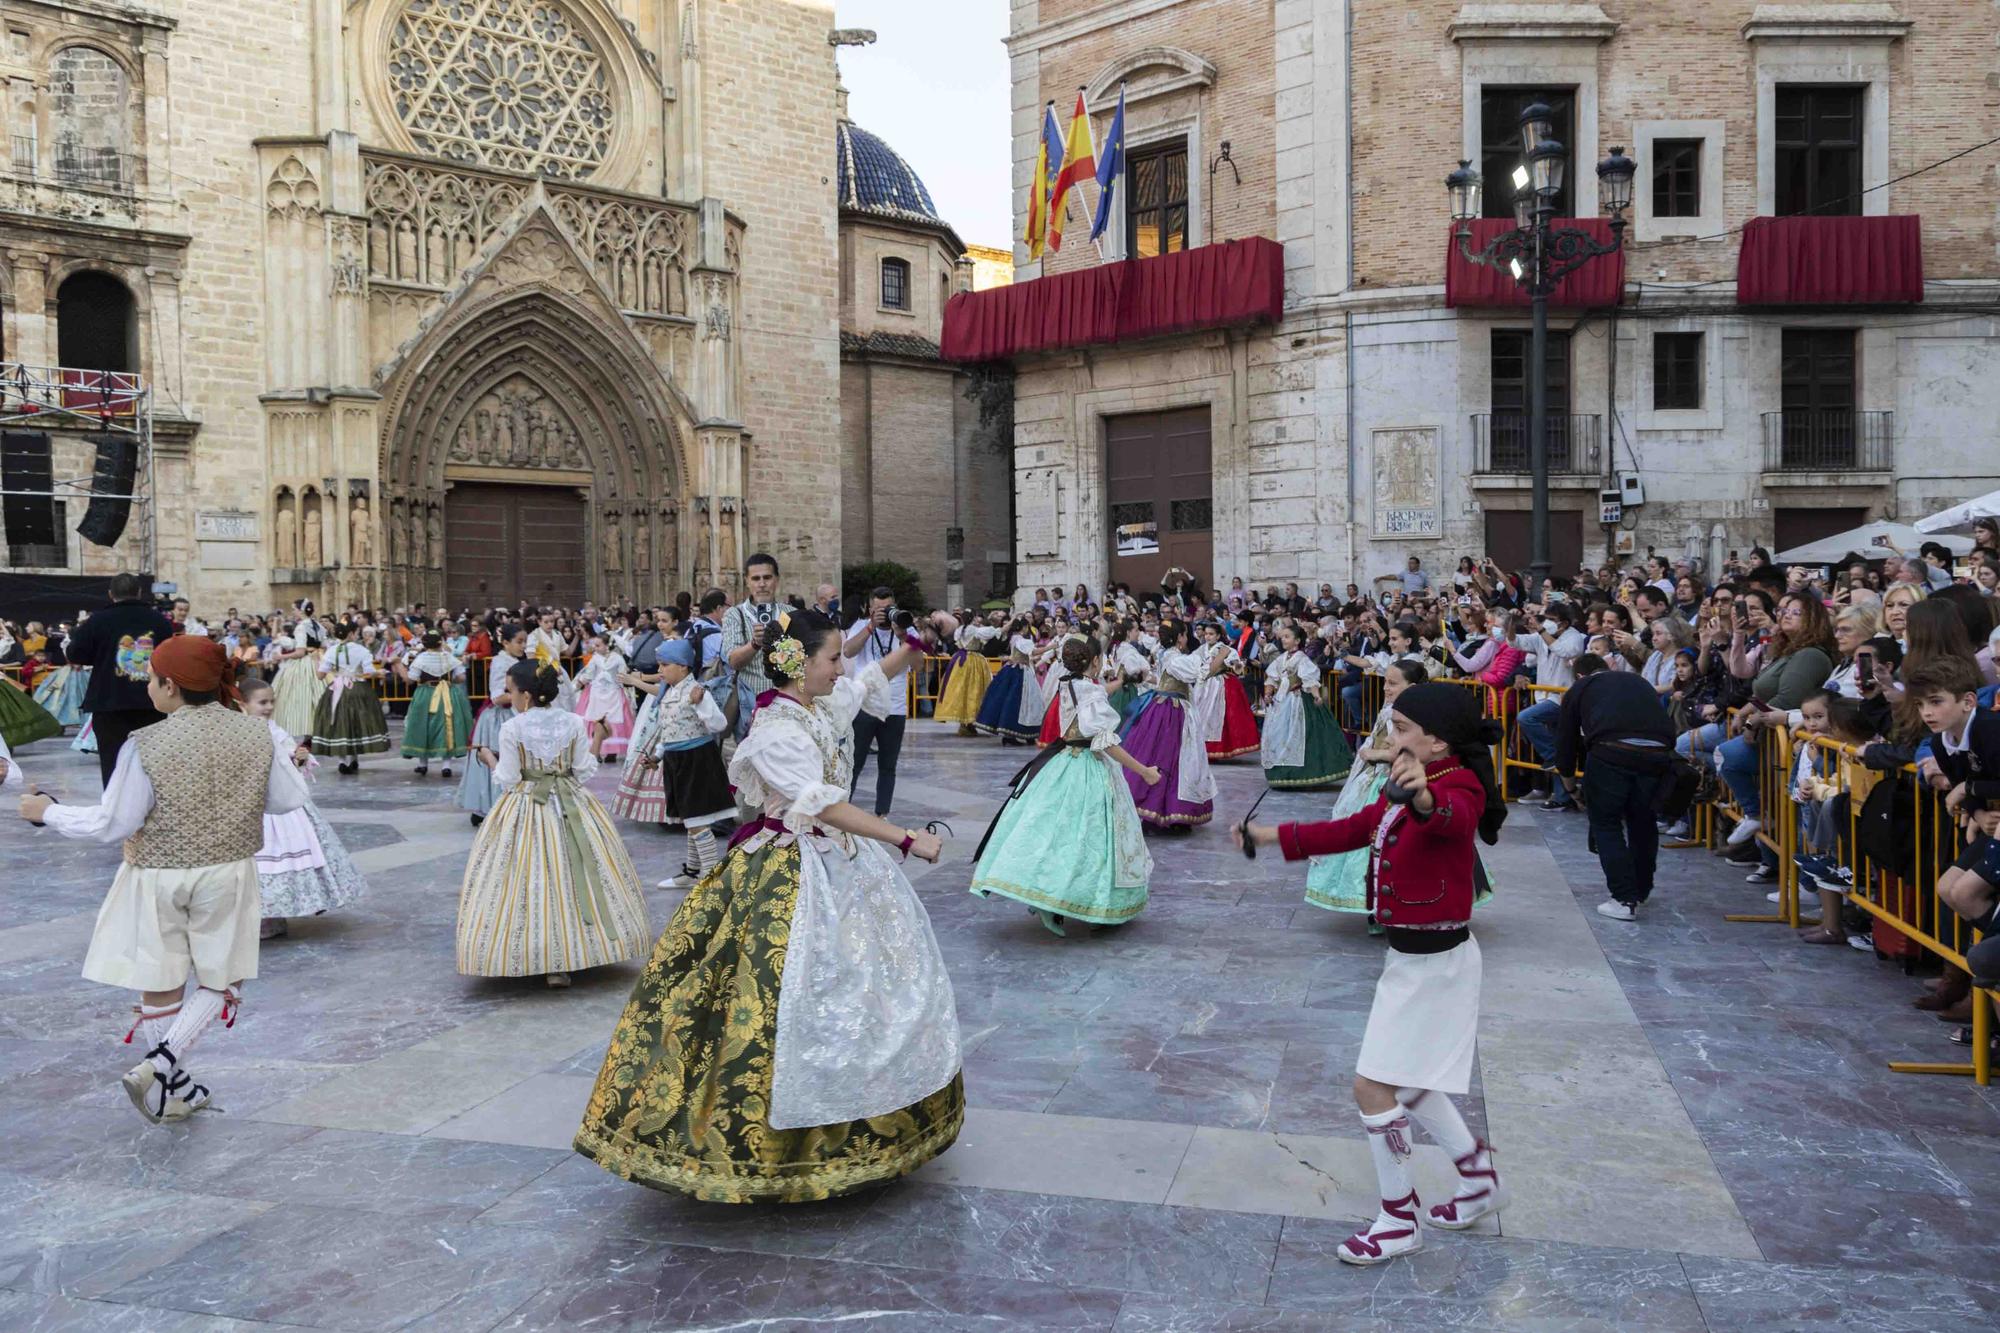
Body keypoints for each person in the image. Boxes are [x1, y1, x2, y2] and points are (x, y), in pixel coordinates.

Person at [573, 610, 963, 1202]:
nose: (841, 668)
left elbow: (869, 680)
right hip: (797, 866)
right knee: (789, 993)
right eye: (832, 658)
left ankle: (867, 1121)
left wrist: (916, 643)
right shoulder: (778, 730)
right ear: (797, 665)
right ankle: (775, 1147)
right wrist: (906, 837)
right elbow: (822, 805)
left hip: (842, 865)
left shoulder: (820, 705)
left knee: (868, 990)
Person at [1236, 684, 1506, 1264]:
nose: (1392, 737)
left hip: (1437, 963)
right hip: (1414, 958)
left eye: (1403, 728)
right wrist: (1271, 835)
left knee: (1372, 1085)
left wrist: (1426, 800)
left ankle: (1397, 1219)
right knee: (1407, 1080)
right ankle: (1477, 1177)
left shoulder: (1456, 786)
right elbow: (1355, 830)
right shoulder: (1403, 783)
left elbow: (1453, 822)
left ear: (1437, 742)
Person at [16, 635, 310, 1123]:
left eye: (151, 678)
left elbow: (116, 822)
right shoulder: (256, 733)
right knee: (222, 978)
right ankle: (169, 1078)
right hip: (227, 871)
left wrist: (50, 813)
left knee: (161, 983)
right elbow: (286, 799)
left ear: (170, 687)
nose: (149, 686)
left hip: (156, 876)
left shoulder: (145, 744)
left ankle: (162, 1068)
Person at [455, 660, 651, 988]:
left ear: (528, 695)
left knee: (531, 877)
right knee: (575, 871)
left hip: (526, 805)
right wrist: (598, 739)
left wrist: (489, 759)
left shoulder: (512, 728)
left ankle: (538, 955)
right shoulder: (573, 722)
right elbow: (583, 769)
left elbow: (509, 778)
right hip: (572, 803)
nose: (509, 696)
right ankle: (576, 953)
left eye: (511, 690)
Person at [971, 633, 1158, 936]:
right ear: (1094, 661)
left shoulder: (1067, 684)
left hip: (1061, 764)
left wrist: (1117, 682)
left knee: (1054, 834)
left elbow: (1091, 698)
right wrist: (1144, 771)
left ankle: (1046, 895)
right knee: (1093, 839)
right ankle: (1093, 903)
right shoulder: (1090, 692)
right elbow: (1103, 741)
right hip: (1088, 765)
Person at [1551, 653, 1677, 922]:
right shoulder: (1637, 681)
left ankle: (1623, 898)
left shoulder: (1580, 689)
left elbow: (1565, 747)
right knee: (1643, 821)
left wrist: (1572, 790)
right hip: (1657, 754)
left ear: (1580, 676)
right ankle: (1641, 890)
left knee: (1606, 823)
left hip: (1610, 752)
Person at [238, 679, 367, 941]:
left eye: (271, 701)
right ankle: (259, 918)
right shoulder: (238, 733)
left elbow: (288, 755)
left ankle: (274, 915)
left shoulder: (274, 730)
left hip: (282, 802)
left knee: (282, 859)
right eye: (262, 702)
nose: (269, 707)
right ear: (242, 704)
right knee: (261, 863)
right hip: (254, 803)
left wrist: (298, 757)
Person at [1306, 658, 1427, 920]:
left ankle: (1392, 903)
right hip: (1375, 781)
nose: (1386, 688)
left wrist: (1370, 753)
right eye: (1385, 683)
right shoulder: (1390, 711)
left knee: (1389, 845)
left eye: (1393, 684)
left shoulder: (1410, 717)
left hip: (1395, 784)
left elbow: (1401, 752)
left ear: (1413, 687)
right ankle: (1376, 905)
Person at [60, 573, 176, 786]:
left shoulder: (97, 621)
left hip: (109, 701)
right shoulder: (159, 621)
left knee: (113, 763)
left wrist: (100, 655)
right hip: (151, 702)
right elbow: (171, 656)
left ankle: (115, 810)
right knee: (151, 763)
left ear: (111, 594)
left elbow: (75, 654)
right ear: (140, 593)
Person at [641, 638, 735, 889]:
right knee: (691, 820)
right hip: (676, 762)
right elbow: (668, 731)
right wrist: (657, 756)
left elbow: (719, 725)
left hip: (696, 761)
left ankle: (711, 876)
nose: (660, 671)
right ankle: (693, 872)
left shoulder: (697, 691)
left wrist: (700, 703)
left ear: (683, 666)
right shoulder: (669, 691)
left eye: (664, 665)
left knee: (697, 821)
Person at [1120, 620, 1221, 830]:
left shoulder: (1166, 655)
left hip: (1162, 707)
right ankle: (1165, 811)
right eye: (1185, 634)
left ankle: (1159, 809)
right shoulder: (1176, 658)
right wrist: (1223, 655)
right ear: (1180, 638)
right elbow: (1200, 673)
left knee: (1159, 754)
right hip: (1172, 712)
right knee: (1174, 758)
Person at [843, 587, 922, 817]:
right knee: (854, 763)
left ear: (895, 606)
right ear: (869, 609)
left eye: (888, 609)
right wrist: (870, 627)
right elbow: (848, 652)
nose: (884, 614)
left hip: (895, 708)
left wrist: (905, 637)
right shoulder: (860, 626)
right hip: (864, 706)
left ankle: (882, 815)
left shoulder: (907, 629)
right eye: (879, 609)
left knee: (888, 765)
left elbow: (917, 665)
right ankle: (843, 810)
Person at [1260, 622, 1353, 789]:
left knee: (1304, 737)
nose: (1283, 640)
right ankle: (1281, 773)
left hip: (1298, 701)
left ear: (1297, 641)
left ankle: (1303, 774)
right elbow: (1271, 679)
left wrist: (1317, 696)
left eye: (1287, 637)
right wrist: (1268, 694)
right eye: (1283, 637)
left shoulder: (1302, 659)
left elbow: (1310, 681)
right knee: (1280, 736)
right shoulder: (1281, 659)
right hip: (1281, 702)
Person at [457, 623, 527, 825]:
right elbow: (497, 696)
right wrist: (523, 694)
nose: (522, 646)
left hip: (513, 714)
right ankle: (489, 806)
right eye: (519, 642)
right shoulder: (500, 662)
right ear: (505, 642)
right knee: (498, 758)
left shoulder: (514, 660)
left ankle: (506, 803)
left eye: (524, 642)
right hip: (498, 718)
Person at [311, 622, 389, 775]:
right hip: (359, 689)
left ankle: (342, 761)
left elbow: (320, 675)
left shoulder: (332, 651)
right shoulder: (361, 650)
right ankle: (354, 759)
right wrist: (380, 673)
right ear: (351, 634)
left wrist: (316, 661)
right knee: (356, 722)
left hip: (337, 688)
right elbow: (369, 671)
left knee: (340, 722)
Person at [720, 552, 783, 738]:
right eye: (756, 578)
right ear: (747, 581)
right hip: (751, 704)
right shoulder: (735, 614)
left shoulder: (790, 613)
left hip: (786, 704)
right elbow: (733, 661)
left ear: (776, 580)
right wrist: (754, 644)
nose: (762, 584)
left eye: (767, 577)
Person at [401, 631, 470, 778]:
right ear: (440, 643)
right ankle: (446, 765)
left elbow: (411, 679)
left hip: (425, 694)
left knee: (422, 725)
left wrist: (399, 667)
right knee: (446, 726)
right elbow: (461, 677)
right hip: (448, 693)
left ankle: (422, 764)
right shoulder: (449, 657)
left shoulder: (420, 659)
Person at [936, 615, 1001, 735]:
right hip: (973, 662)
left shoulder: (959, 630)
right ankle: (968, 722)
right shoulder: (974, 630)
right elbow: (993, 632)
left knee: (961, 691)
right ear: (973, 619)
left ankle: (965, 723)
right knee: (973, 690)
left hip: (959, 660)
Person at [573, 634, 635, 760]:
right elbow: (589, 674)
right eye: (594, 645)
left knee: (613, 719)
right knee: (596, 718)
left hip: (614, 693)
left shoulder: (617, 658)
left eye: (598, 645)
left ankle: (612, 751)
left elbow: (623, 673)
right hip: (597, 694)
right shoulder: (595, 658)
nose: (595, 648)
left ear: (607, 646)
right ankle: (597, 749)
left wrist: (622, 681)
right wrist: (580, 683)